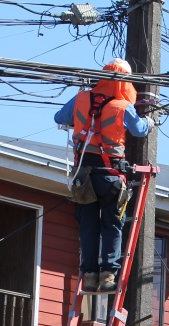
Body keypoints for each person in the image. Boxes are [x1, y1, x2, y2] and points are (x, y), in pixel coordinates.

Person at [54, 59, 152, 292]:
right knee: (112, 224)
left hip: (83, 176)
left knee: (88, 225)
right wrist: (149, 121)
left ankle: (89, 276)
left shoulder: (81, 99)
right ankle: (108, 275)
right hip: (110, 176)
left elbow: (60, 118)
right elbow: (139, 130)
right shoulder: (122, 106)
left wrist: (81, 120)